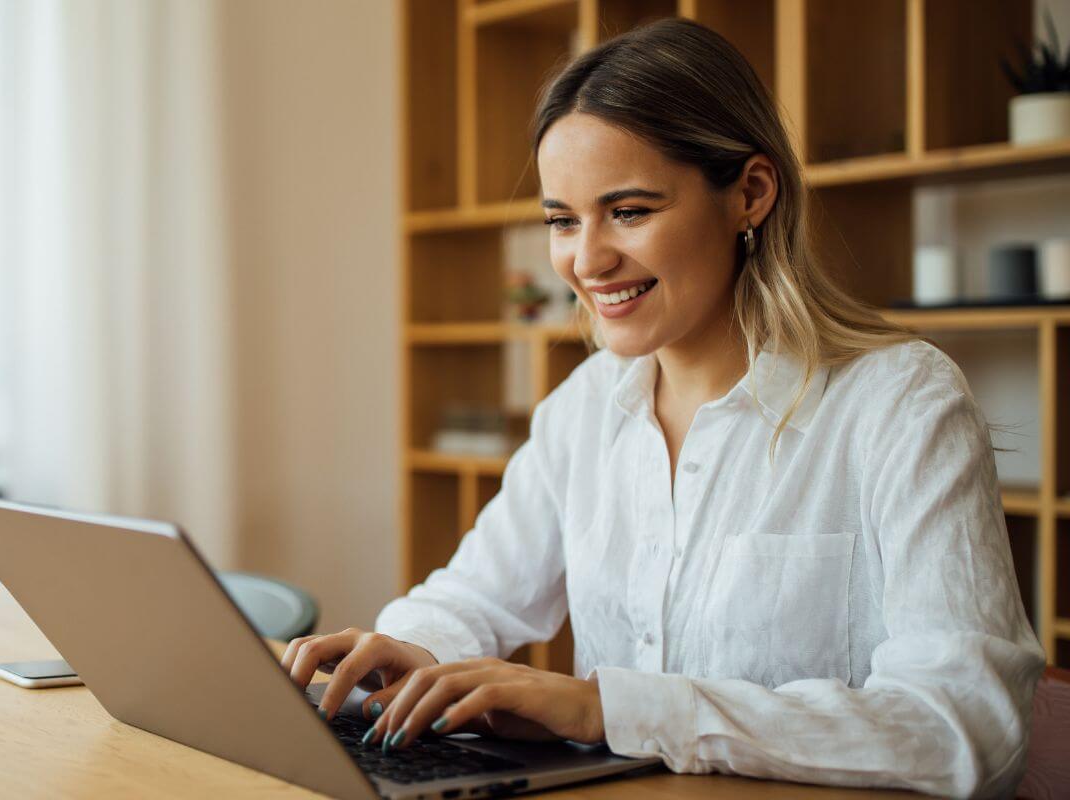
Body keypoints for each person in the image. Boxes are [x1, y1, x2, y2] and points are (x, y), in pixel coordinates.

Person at [280, 17, 1044, 798]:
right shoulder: (584, 409)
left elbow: (969, 728)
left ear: (751, 193)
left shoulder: (901, 404)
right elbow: (474, 596)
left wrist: (608, 708)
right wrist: (406, 650)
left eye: (631, 211)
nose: (586, 259)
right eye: (561, 220)